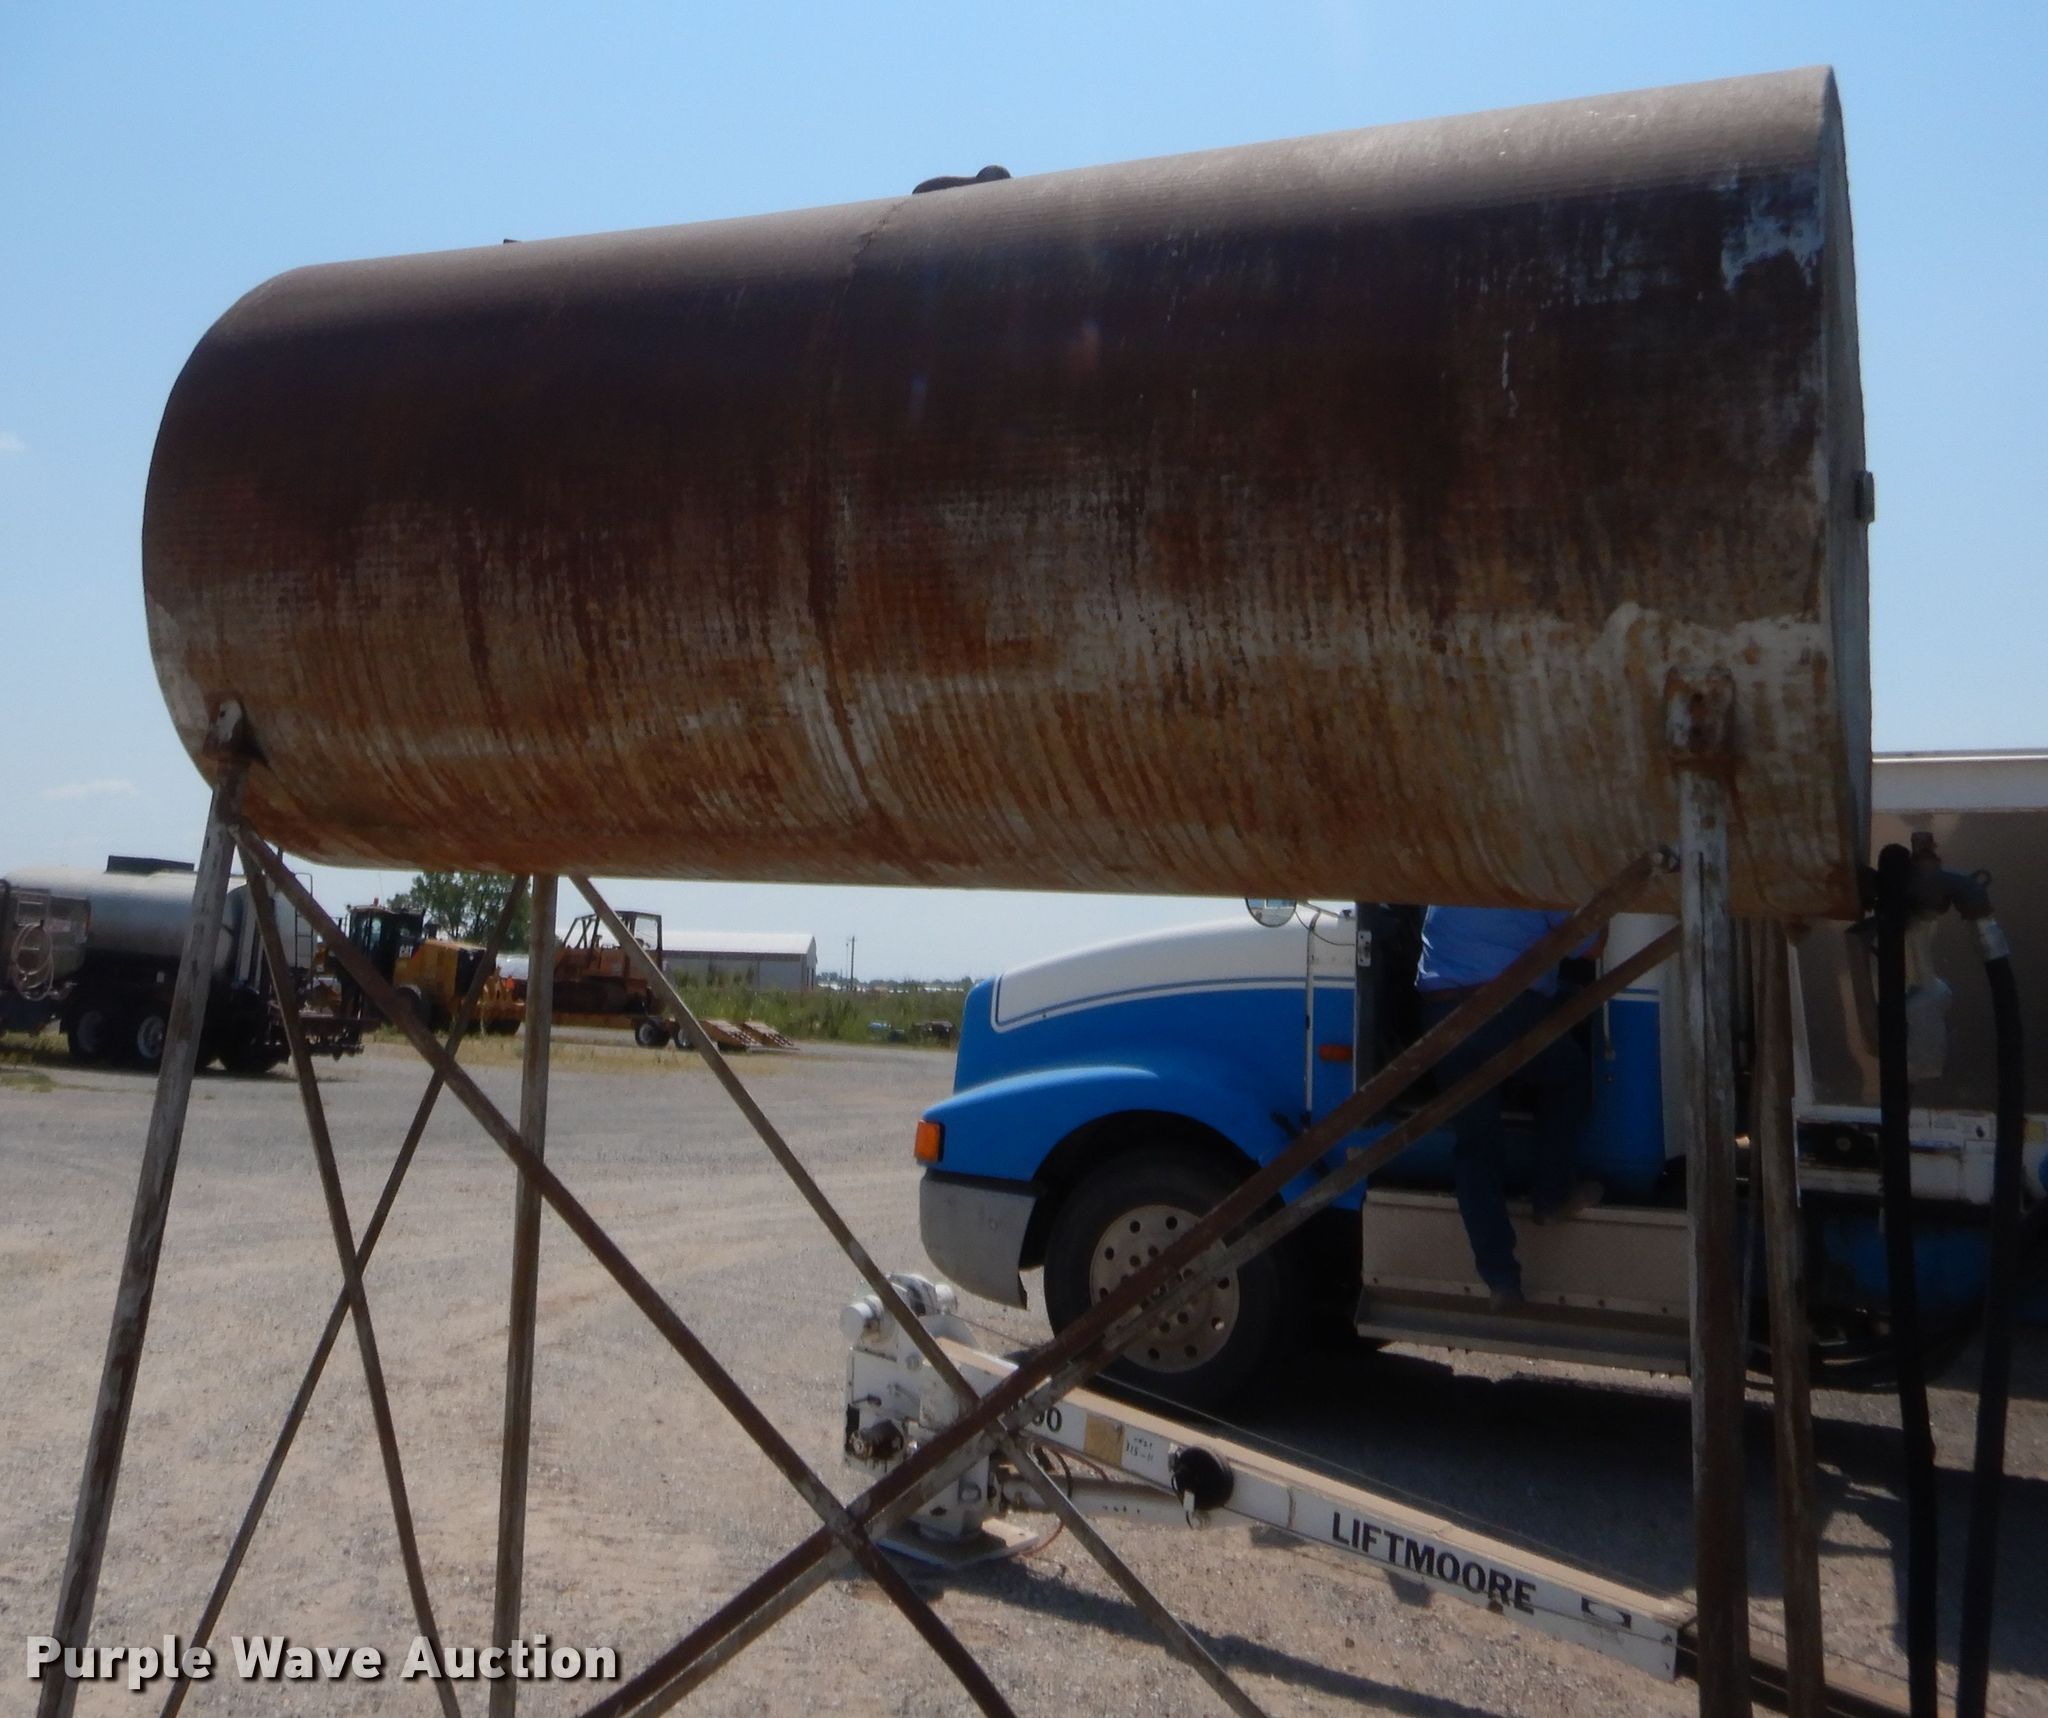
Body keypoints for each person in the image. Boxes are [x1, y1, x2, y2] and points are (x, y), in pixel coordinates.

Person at [1414, 906, 1602, 1312]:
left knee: (1476, 1146)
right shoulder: (1539, 871)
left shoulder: (1451, 867)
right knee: (1569, 1076)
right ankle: (1551, 1196)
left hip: (1443, 1013)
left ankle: (1501, 1281)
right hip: (1508, 1011)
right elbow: (1591, 949)